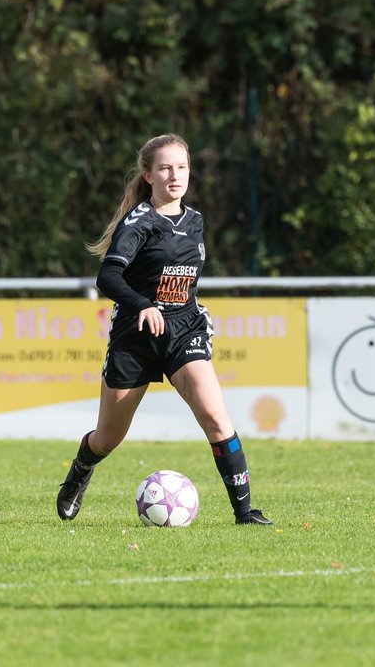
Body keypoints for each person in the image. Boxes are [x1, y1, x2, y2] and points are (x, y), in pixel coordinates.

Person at [56, 133, 273, 525]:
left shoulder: (196, 221)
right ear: (149, 175)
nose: (175, 175)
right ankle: (79, 472)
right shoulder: (139, 222)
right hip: (134, 336)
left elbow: (179, 277)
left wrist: (182, 307)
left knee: (216, 417)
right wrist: (143, 304)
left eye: (182, 167)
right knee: (108, 438)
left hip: (183, 330)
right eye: (165, 168)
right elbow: (108, 277)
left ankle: (245, 513)